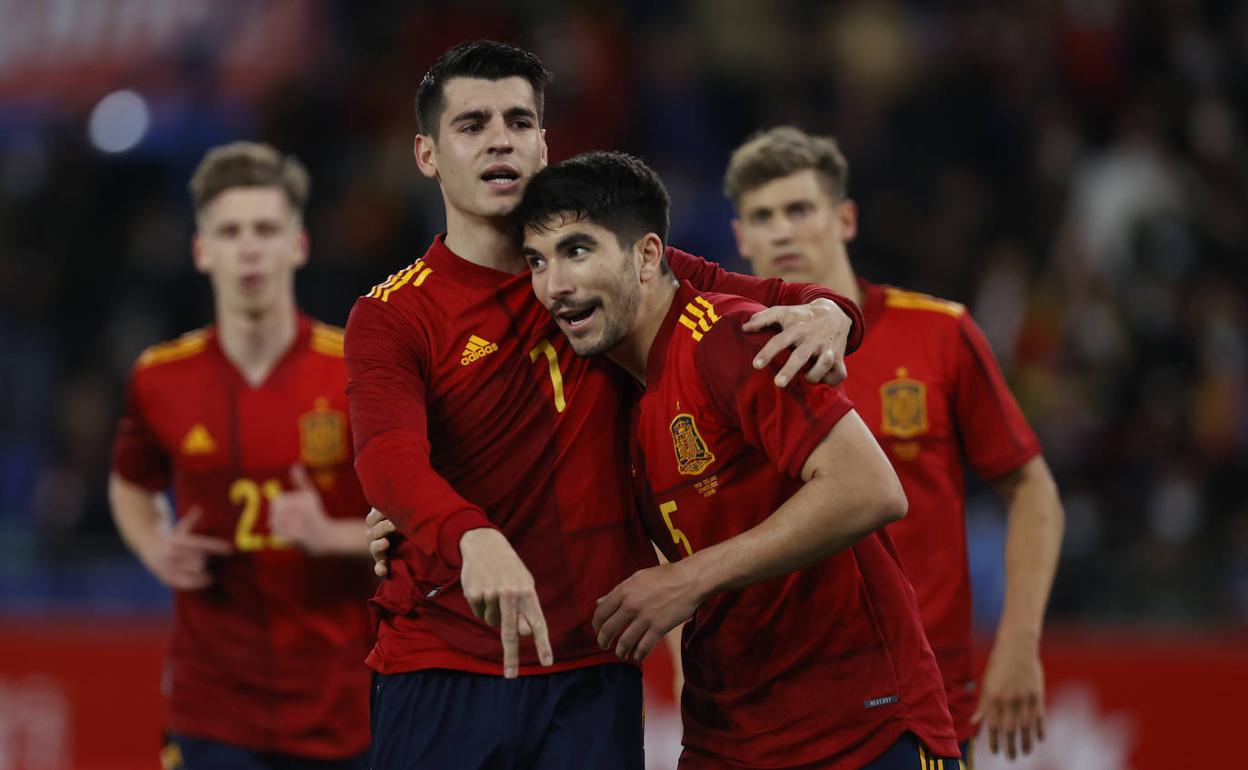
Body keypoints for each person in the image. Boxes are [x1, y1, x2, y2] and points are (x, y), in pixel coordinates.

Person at [344, 41, 864, 769]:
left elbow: (779, 296)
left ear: (544, 144)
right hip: (443, 661)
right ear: (427, 155)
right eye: (472, 125)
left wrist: (837, 314)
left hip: (592, 670)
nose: (501, 138)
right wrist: (467, 536)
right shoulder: (393, 314)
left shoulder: (609, 270)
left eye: (519, 121)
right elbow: (387, 456)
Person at [511, 150, 961, 769]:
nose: (554, 285)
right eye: (538, 261)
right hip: (729, 739)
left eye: (578, 251)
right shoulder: (613, 391)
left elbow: (871, 488)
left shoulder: (728, 339)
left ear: (646, 256)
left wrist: (686, 580)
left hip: (861, 734)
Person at [724, 126, 1066, 764]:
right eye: (762, 216)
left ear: (845, 218)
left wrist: (1019, 641)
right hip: (772, 706)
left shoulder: (938, 334)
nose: (782, 231)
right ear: (740, 237)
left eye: (800, 209)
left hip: (920, 704)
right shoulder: (716, 357)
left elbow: (1032, 487)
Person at [109, 142, 375, 770]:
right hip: (212, 709)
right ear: (203, 251)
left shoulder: (358, 372)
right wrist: (157, 548)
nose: (249, 247)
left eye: (265, 229)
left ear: (299, 244)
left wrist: (331, 535)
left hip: (344, 706)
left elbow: (424, 521)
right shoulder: (159, 378)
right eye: (230, 231)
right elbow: (129, 485)